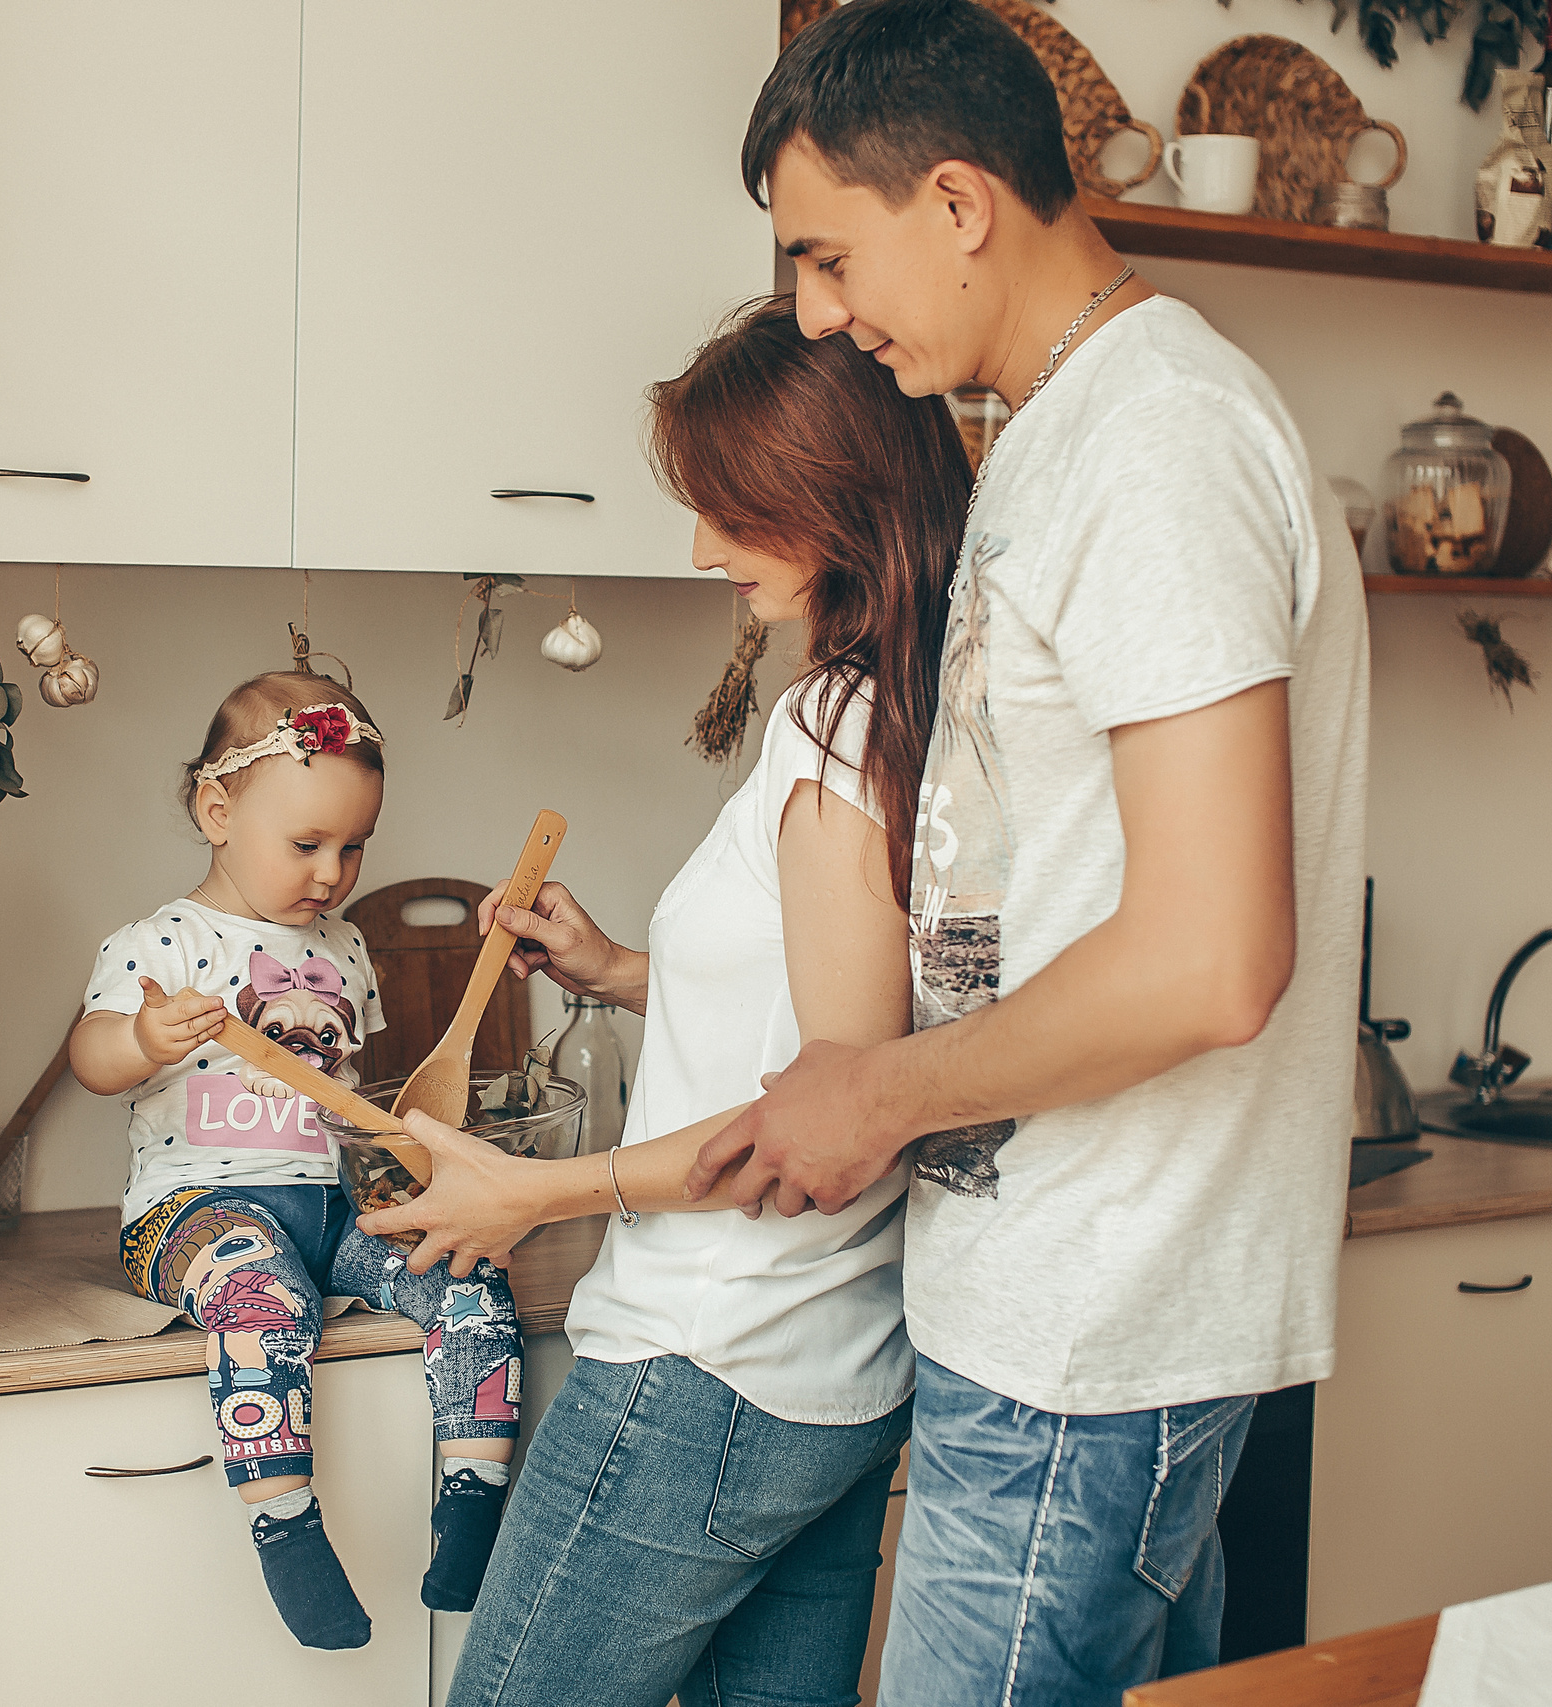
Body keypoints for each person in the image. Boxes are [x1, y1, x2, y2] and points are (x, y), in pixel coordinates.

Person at [683, 4, 1369, 1703]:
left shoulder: (1158, 443)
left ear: (965, 204)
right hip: (1058, 1317)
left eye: (828, 256)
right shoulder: (1061, 439)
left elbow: (1214, 955)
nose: (818, 314)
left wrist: (886, 1086)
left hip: (1095, 1334)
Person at [364, 295, 971, 1707]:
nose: (702, 546)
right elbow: (857, 1020)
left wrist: (529, 1191)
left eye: (729, 508)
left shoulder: (828, 727)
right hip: (840, 1381)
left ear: (830, 496)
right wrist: (628, 973)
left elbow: (824, 1125)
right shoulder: (920, 707)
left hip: (703, 1365)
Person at [70, 673, 526, 1650]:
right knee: (260, 1296)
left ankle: (475, 1504)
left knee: (471, 1272)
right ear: (218, 811)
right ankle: (283, 1523)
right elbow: (90, 1059)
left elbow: (350, 1098)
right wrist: (146, 1038)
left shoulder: (348, 947)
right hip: (193, 1208)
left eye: (353, 845)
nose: (333, 871)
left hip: (332, 1205)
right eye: (307, 844)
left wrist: (407, 1170)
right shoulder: (162, 941)